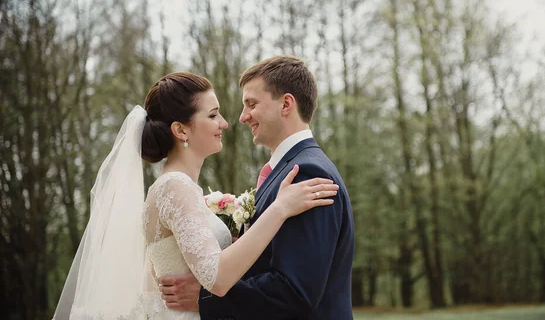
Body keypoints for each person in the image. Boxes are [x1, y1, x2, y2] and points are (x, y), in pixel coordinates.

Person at [53, 72, 339, 320]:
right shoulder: (174, 186)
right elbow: (217, 277)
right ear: (180, 130)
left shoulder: (179, 187)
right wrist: (280, 208)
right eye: (213, 115)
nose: (225, 123)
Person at [159, 56, 355, 319]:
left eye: (251, 104)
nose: (242, 117)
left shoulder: (306, 173)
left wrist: (205, 299)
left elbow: (295, 292)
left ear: (286, 104)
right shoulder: (288, 170)